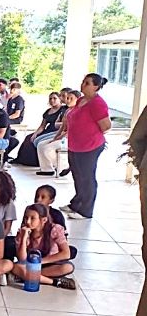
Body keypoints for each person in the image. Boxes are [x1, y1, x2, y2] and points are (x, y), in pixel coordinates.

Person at [62, 74, 111, 220]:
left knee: (87, 178)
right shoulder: (81, 100)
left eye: (87, 83)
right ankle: (76, 203)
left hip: (89, 146)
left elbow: (106, 126)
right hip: (75, 145)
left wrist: (89, 133)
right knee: (77, 176)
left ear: (96, 87)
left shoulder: (97, 103)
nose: (83, 85)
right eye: (83, 81)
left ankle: (86, 210)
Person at [12, 204, 76, 290]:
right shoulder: (23, 232)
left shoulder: (54, 229)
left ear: (44, 220)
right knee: (16, 267)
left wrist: (40, 262)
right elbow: (22, 259)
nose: (28, 221)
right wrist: (23, 238)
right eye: (26, 218)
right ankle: (54, 281)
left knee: (68, 267)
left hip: (50, 264)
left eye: (32, 218)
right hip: (30, 265)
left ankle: (26, 276)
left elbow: (66, 254)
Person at [16, 92, 67, 169]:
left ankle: (39, 162)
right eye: (50, 98)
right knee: (29, 138)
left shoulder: (63, 110)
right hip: (47, 130)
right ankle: (24, 160)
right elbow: (42, 126)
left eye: (54, 98)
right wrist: (35, 133)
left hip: (56, 131)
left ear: (59, 99)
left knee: (39, 141)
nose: (52, 100)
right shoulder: (48, 111)